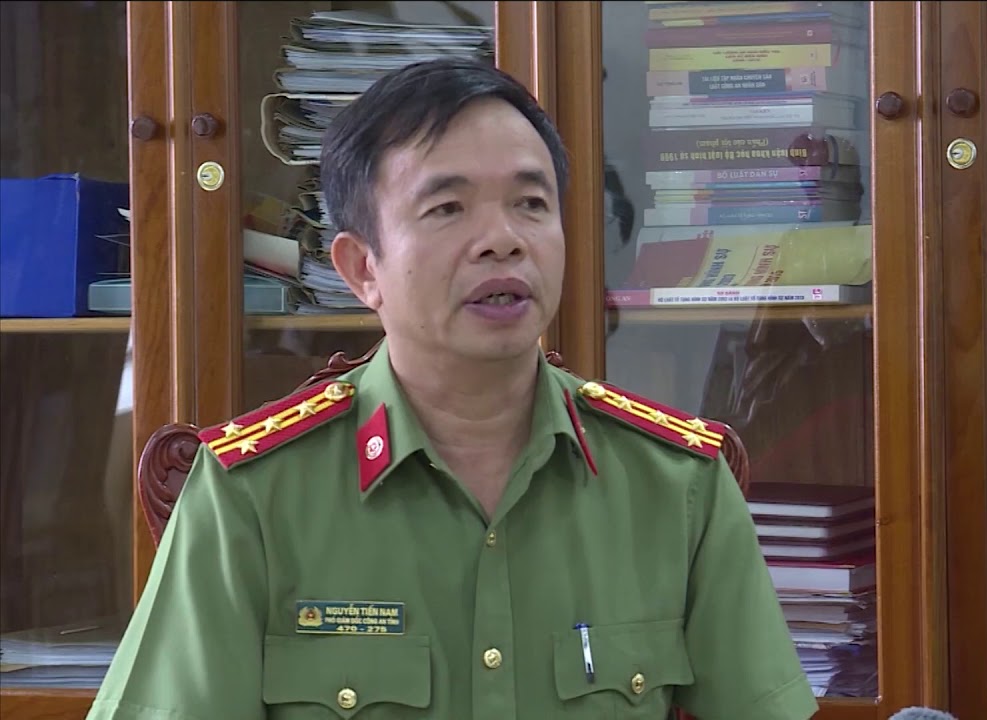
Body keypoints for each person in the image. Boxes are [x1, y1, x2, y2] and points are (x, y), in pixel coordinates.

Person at [86, 57, 818, 720]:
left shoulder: (677, 484)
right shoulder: (251, 494)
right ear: (362, 268)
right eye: (447, 208)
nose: (503, 239)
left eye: (531, 203)